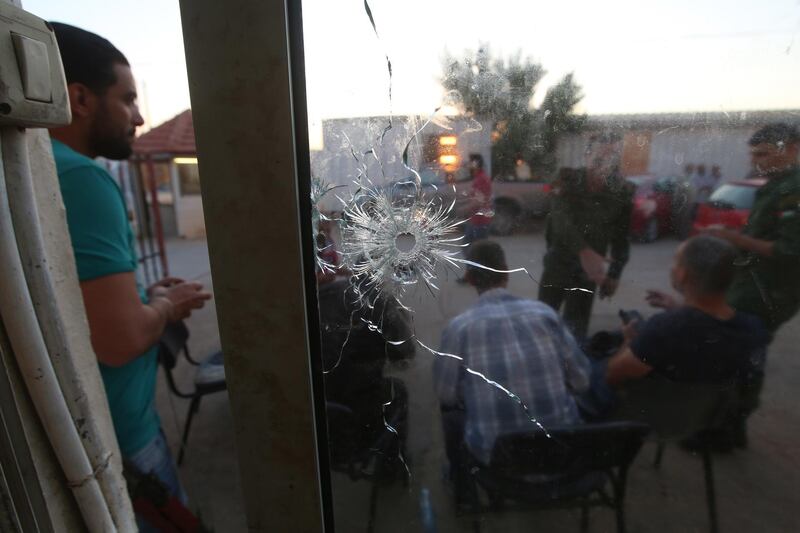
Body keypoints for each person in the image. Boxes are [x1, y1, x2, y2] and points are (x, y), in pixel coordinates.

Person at [48, 23, 211, 519]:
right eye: (129, 99)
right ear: (80, 98)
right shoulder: (81, 177)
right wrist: (166, 306)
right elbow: (119, 341)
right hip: (120, 441)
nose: (140, 118)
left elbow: (72, 297)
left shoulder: (40, 168)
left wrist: (143, 293)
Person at [434, 240, 591, 499]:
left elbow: (446, 396)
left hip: (499, 465)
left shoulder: (459, 329)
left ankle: (458, 480)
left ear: (470, 278)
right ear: (506, 272)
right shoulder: (545, 315)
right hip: (562, 456)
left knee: (450, 414)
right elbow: (583, 381)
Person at [700, 123, 800, 446]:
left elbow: (789, 251)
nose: (757, 161)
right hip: (754, 283)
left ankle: (727, 429)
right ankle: (729, 425)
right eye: (753, 154)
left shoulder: (793, 190)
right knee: (741, 352)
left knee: (742, 352)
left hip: (770, 290)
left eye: (765, 154)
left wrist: (733, 238)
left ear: (792, 149)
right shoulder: (777, 186)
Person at [604, 236, 770, 389]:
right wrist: (678, 308)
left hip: (649, 415)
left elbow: (613, 378)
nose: (672, 268)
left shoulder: (664, 328)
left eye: (676, 262)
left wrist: (628, 341)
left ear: (682, 275)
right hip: (711, 417)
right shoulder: (753, 328)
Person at [539, 132, 634, 340]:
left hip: (588, 274)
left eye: (610, 161)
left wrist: (614, 275)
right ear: (587, 156)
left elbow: (621, 239)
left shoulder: (621, 193)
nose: (603, 168)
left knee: (576, 333)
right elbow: (559, 221)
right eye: (598, 160)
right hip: (558, 265)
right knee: (542, 325)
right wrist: (585, 252)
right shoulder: (565, 179)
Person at [463, 153, 492, 243]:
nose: (467, 165)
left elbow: (479, 200)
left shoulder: (481, 179)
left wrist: (464, 209)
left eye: (470, 162)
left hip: (480, 220)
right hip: (477, 219)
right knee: (473, 247)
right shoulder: (479, 177)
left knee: (471, 246)